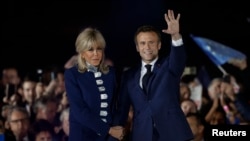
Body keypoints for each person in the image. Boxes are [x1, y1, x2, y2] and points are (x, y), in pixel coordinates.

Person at [113, 10, 193, 141]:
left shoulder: (169, 66)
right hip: (142, 135)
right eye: (143, 43)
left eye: (151, 42)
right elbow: (122, 110)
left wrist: (176, 36)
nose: (147, 47)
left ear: (159, 45)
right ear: (137, 47)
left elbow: (179, 58)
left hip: (173, 134)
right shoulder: (128, 76)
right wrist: (114, 133)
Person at [64, 27, 124, 141]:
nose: (96, 54)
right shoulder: (72, 74)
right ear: (82, 53)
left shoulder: (111, 73)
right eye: (90, 49)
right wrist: (108, 130)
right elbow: (79, 111)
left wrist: (116, 130)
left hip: (109, 137)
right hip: (83, 135)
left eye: (99, 49)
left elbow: (115, 106)